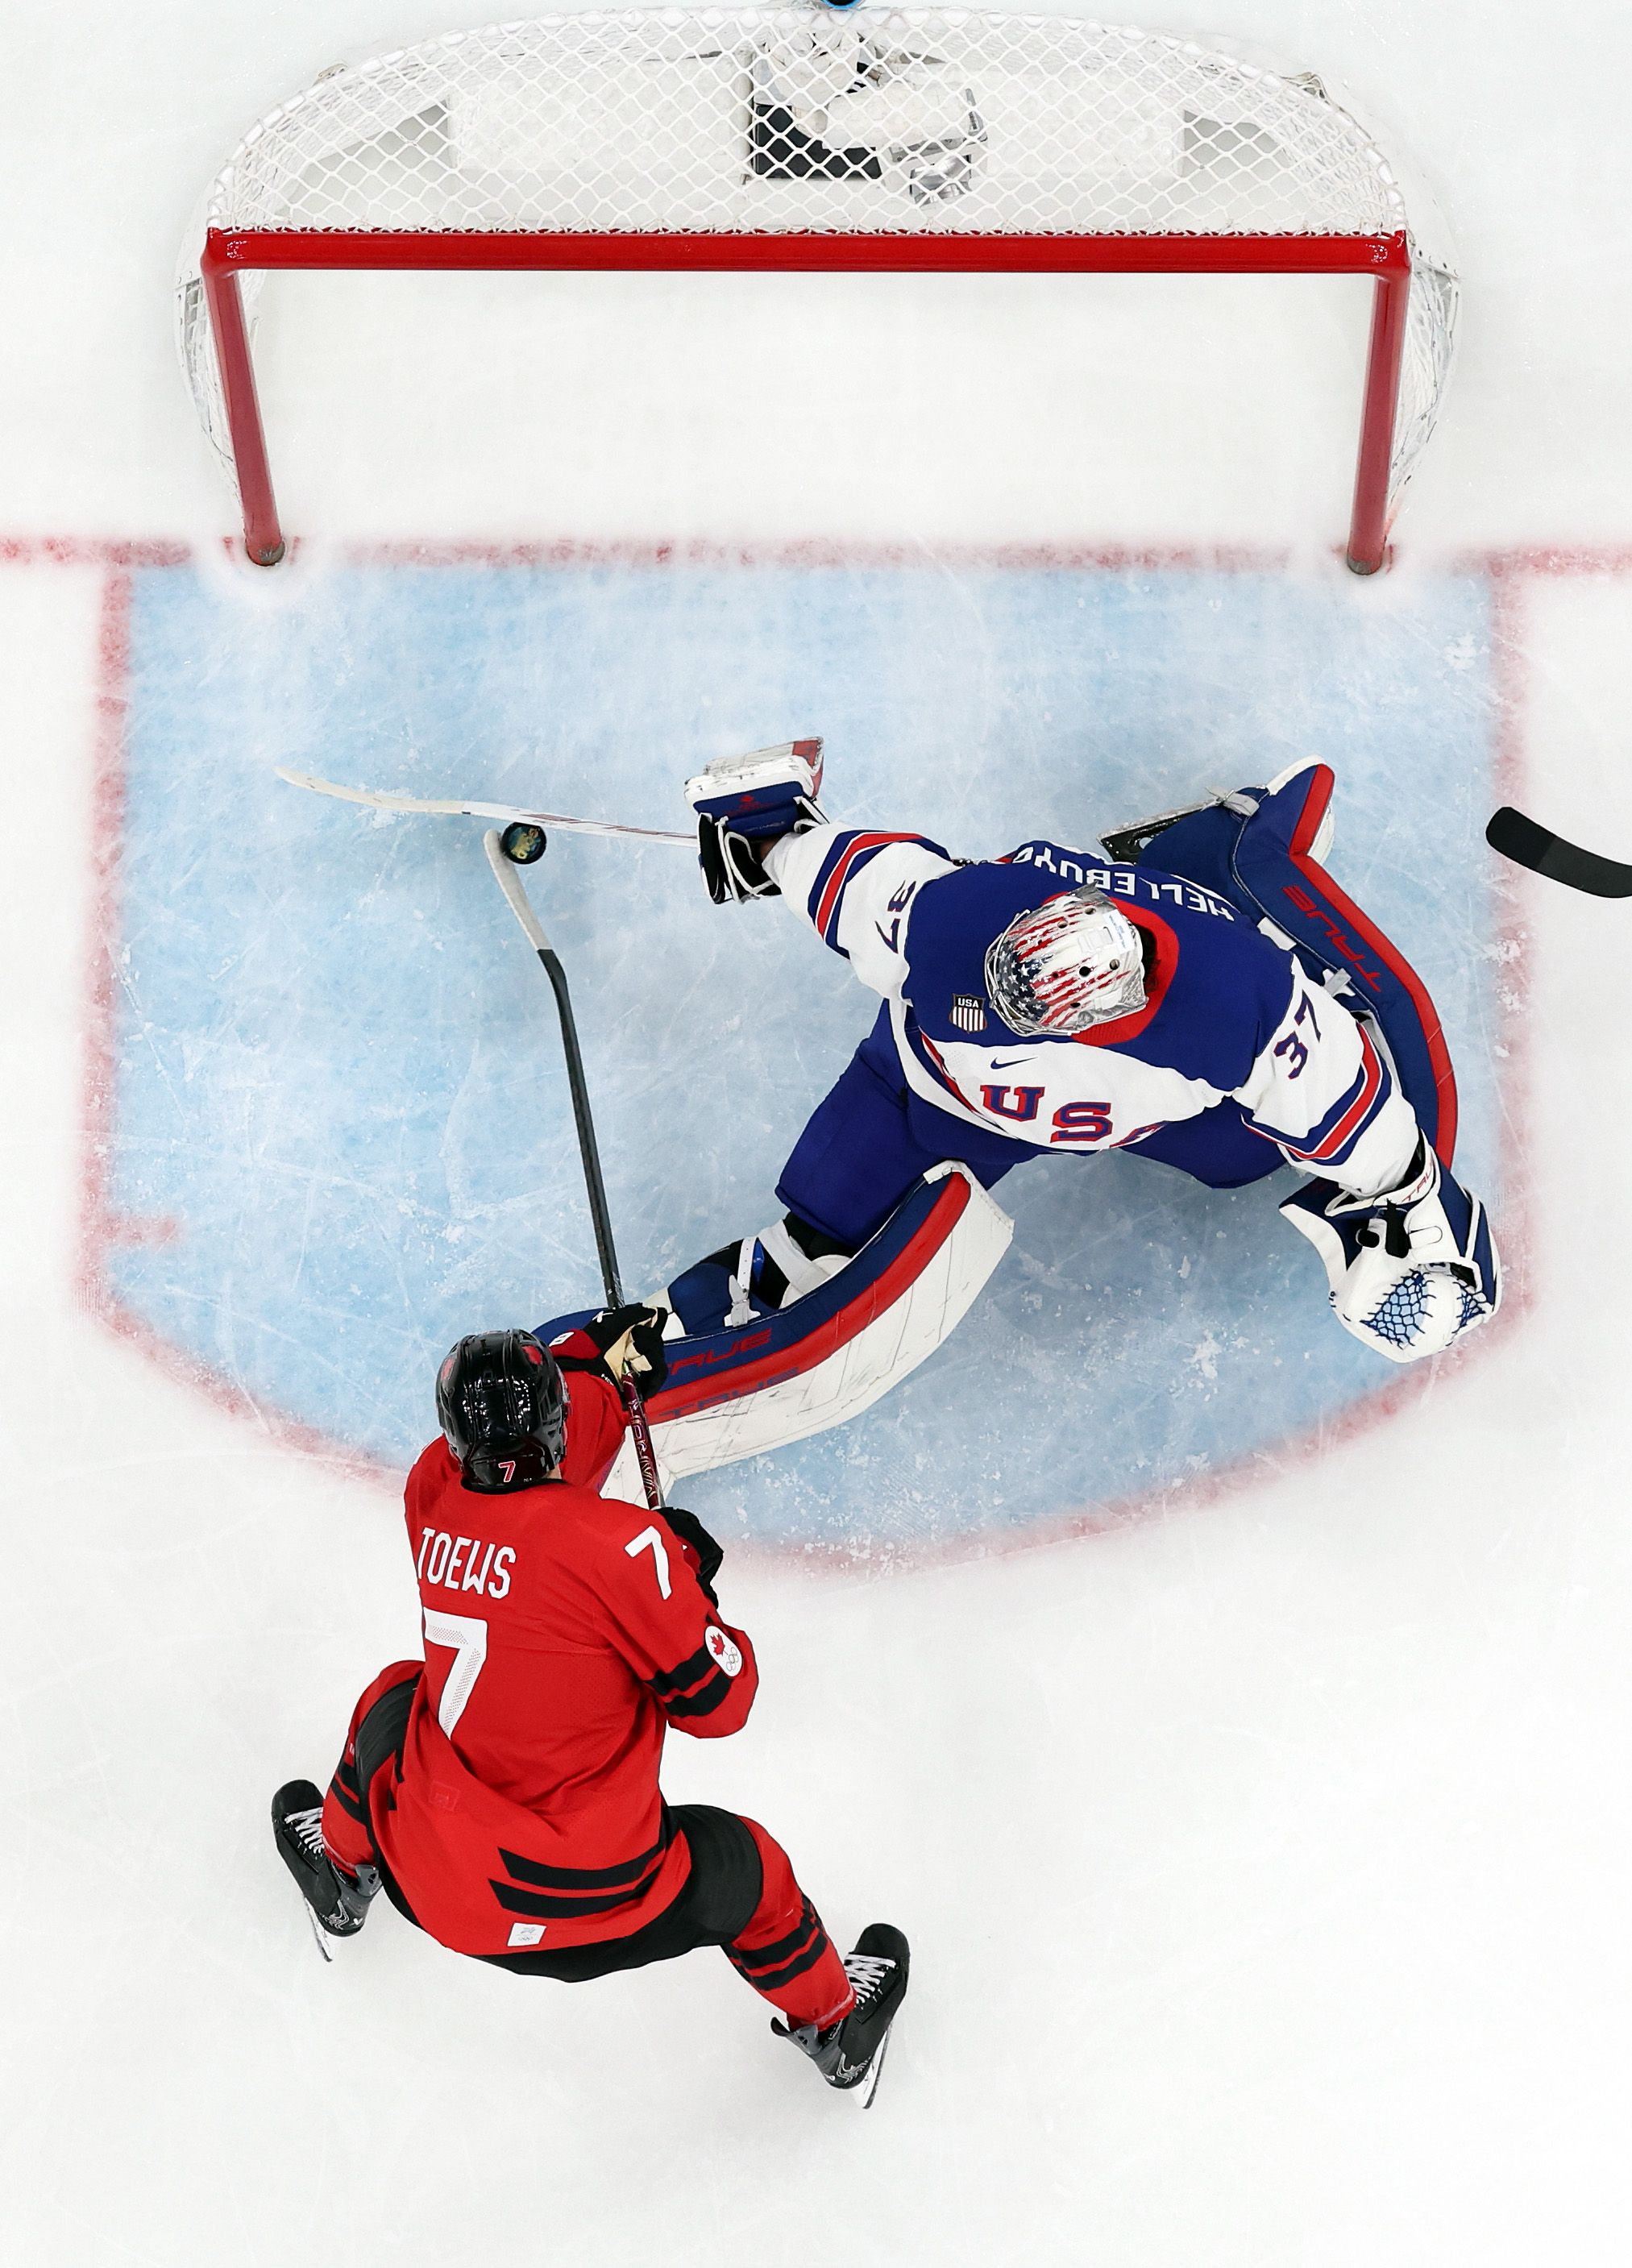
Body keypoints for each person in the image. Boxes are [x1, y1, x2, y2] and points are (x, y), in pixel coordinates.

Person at [667, 746, 1500, 1368]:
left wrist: (1411, 1201)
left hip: (1151, 1107)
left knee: (1246, 1161)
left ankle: (1232, 868)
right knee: (824, 1239)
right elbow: (839, 870)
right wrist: (773, 833)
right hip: (930, 1096)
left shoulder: (1233, 1006)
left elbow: (1342, 1099)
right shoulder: (936, 917)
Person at [271, 1312, 908, 2096]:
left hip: (438, 1885)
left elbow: (534, 1504)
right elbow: (720, 1702)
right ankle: (836, 2029)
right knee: (758, 1878)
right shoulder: (627, 1552)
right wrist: (691, 1588)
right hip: (612, 1898)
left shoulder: (431, 1491)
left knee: (395, 1698)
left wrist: (594, 1366)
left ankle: (343, 1874)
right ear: (555, 1423)